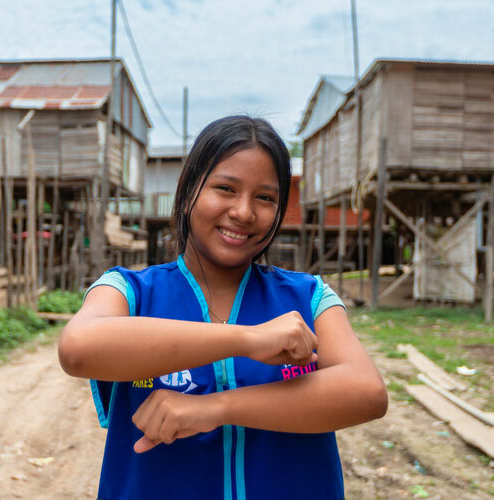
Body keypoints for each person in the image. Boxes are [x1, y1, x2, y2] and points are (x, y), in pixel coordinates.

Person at [58, 115, 388, 500]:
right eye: (225, 188)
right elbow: (78, 349)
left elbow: (368, 392)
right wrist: (247, 340)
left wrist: (214, 409)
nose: (244, 212)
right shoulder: (131, 292)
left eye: (265, 198)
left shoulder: (310, 297)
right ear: (187, 193)